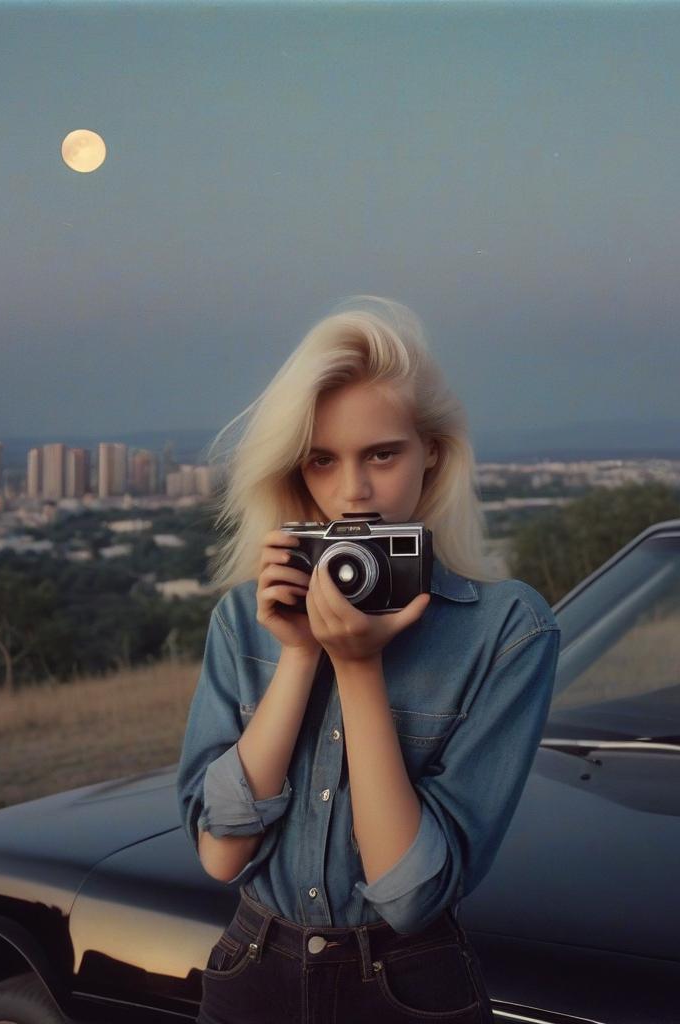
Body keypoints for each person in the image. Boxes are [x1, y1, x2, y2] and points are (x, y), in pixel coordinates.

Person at [176, 296, 561, 1024]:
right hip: (252, 966)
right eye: (322, 460)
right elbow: (222, 855)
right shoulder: (243, 618)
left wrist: (357, 669)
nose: (352, 491)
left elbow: (411, 895)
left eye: (382, 454)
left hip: (404, 985)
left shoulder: (507, 631)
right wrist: (298, 655)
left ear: (432, 454)